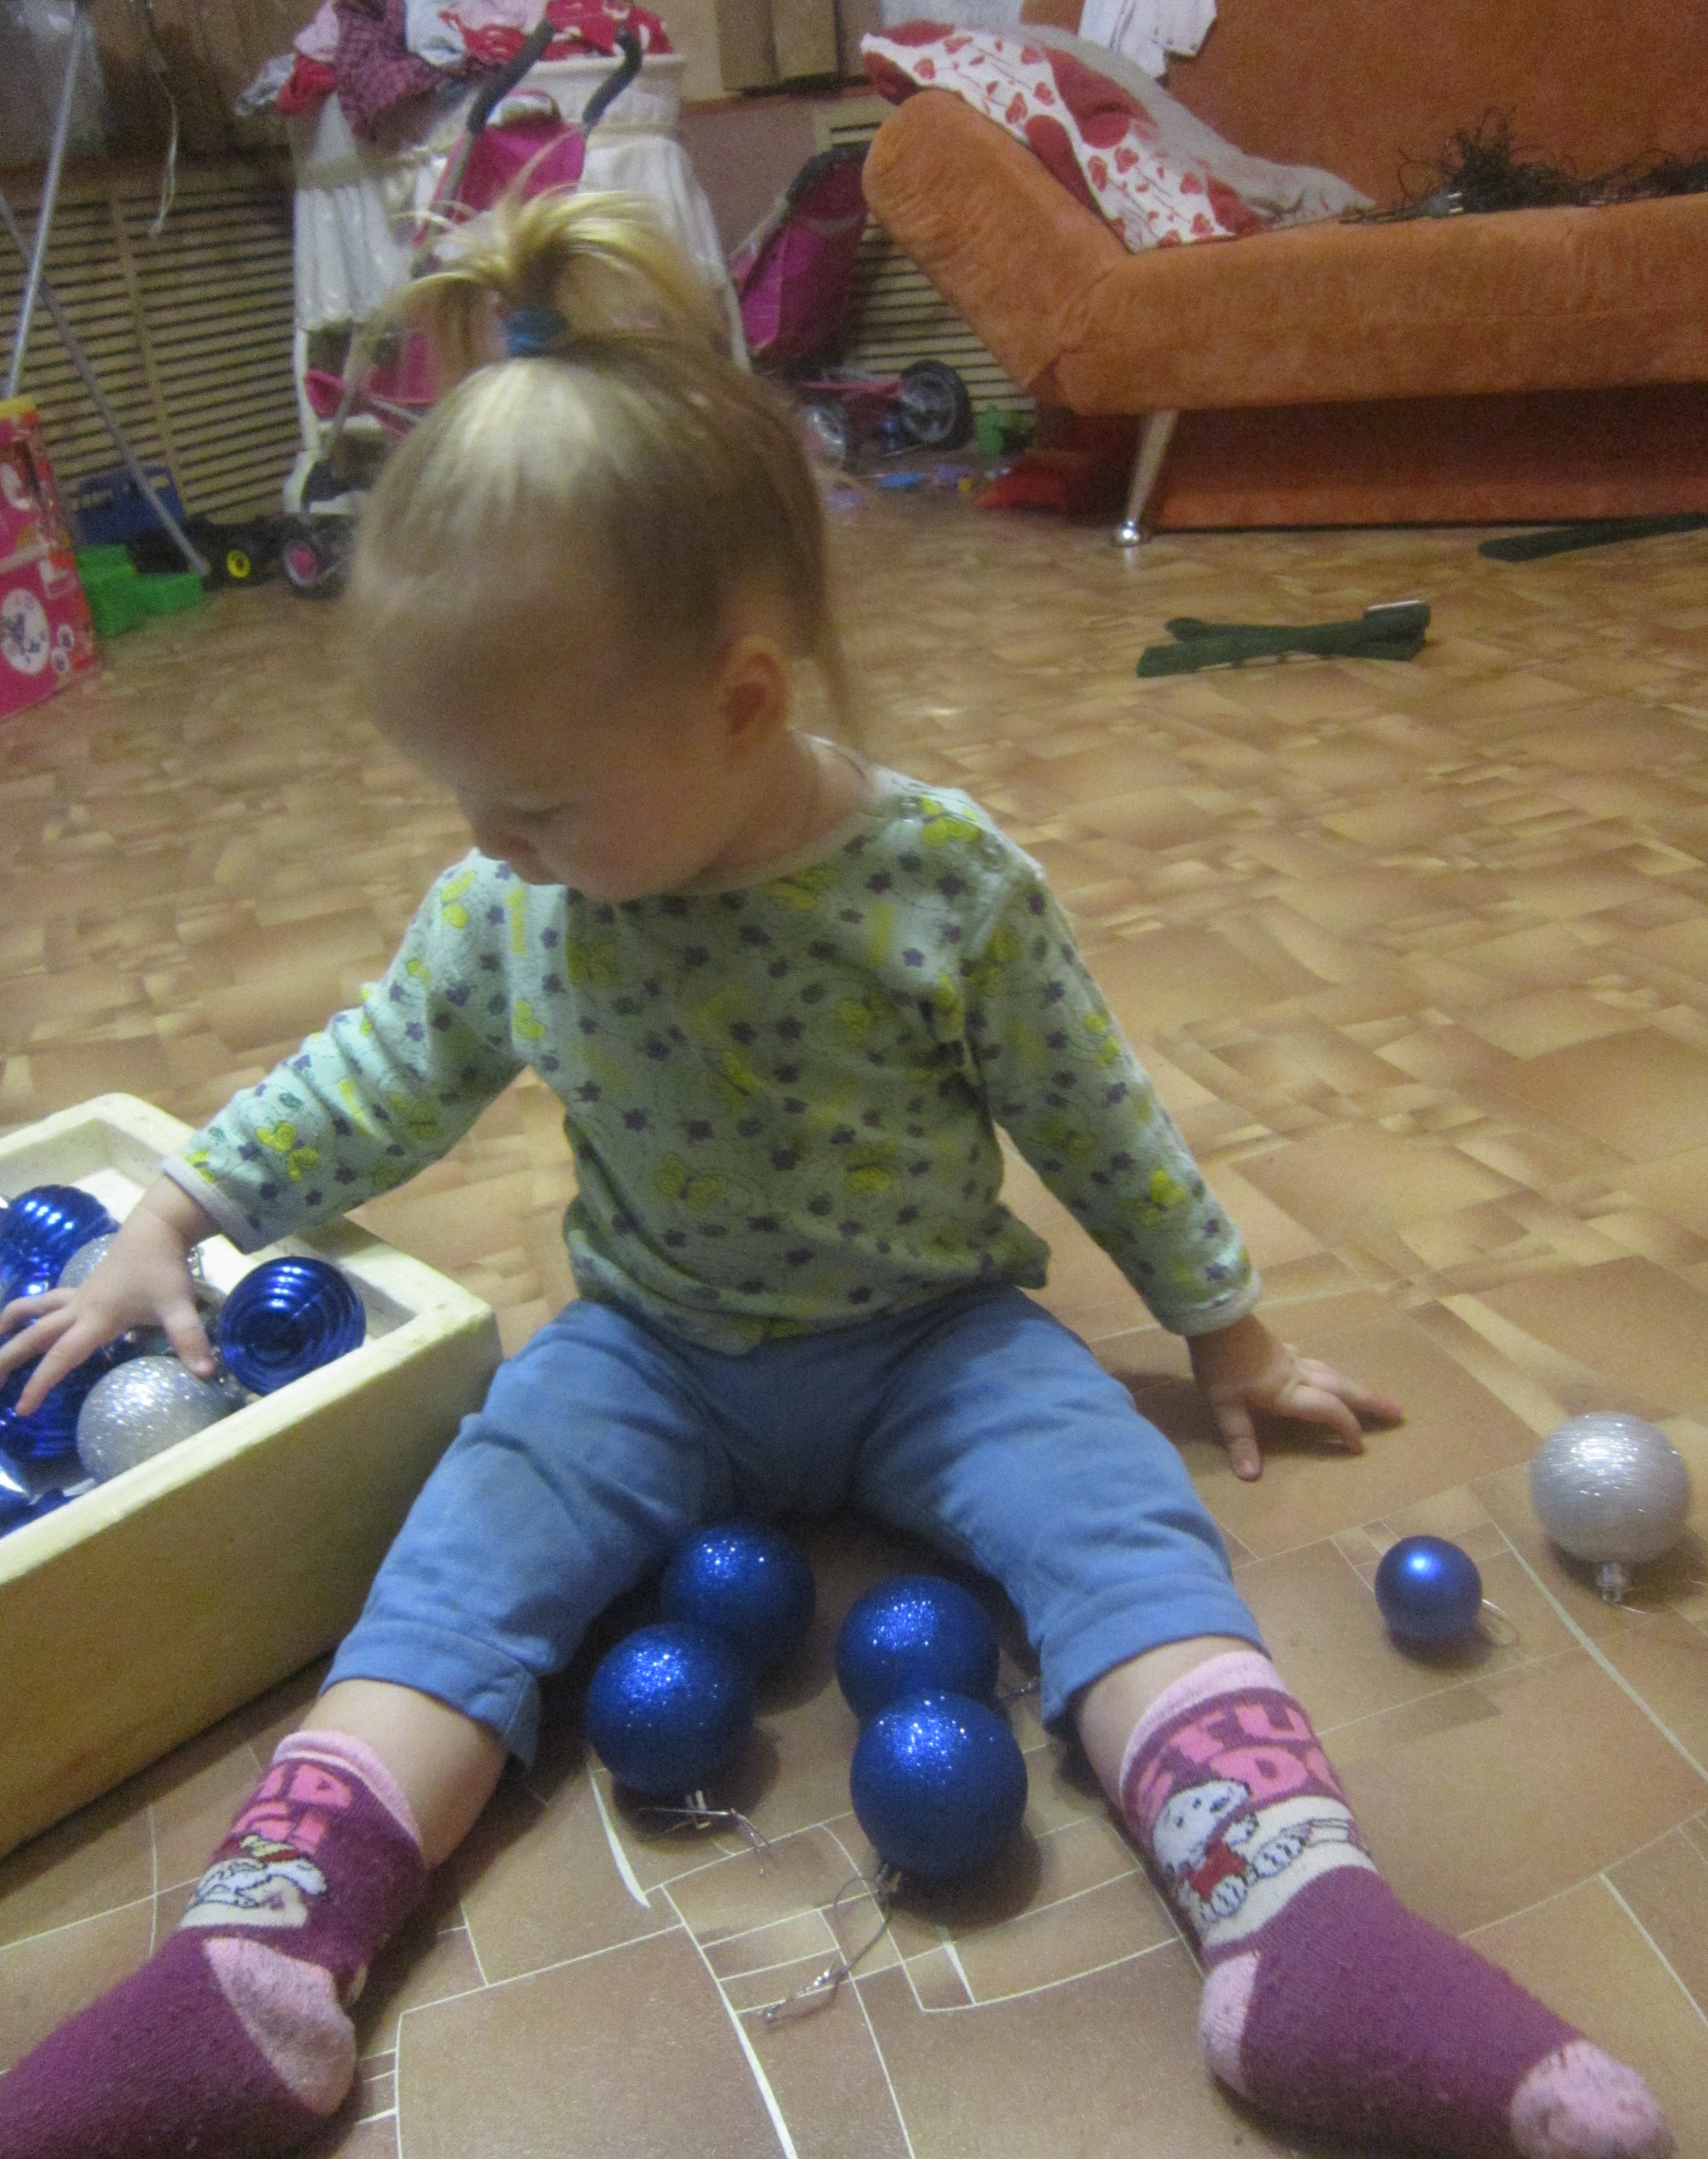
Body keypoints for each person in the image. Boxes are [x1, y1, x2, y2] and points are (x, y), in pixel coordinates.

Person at [0, 190, 1670, 2159]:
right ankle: (260, 1956)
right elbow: (375, 1076)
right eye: (465, 797)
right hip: (649, 1351)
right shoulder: (509, 904)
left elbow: (1092, 1112)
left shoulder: (938, 881)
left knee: (1122, 1531)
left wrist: (1225, 1330)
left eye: (533, 802)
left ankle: (1300, 1922)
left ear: (742, 703)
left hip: (939, 1344)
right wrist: (179, 1212)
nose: (490, 843)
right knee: (462, 1563)